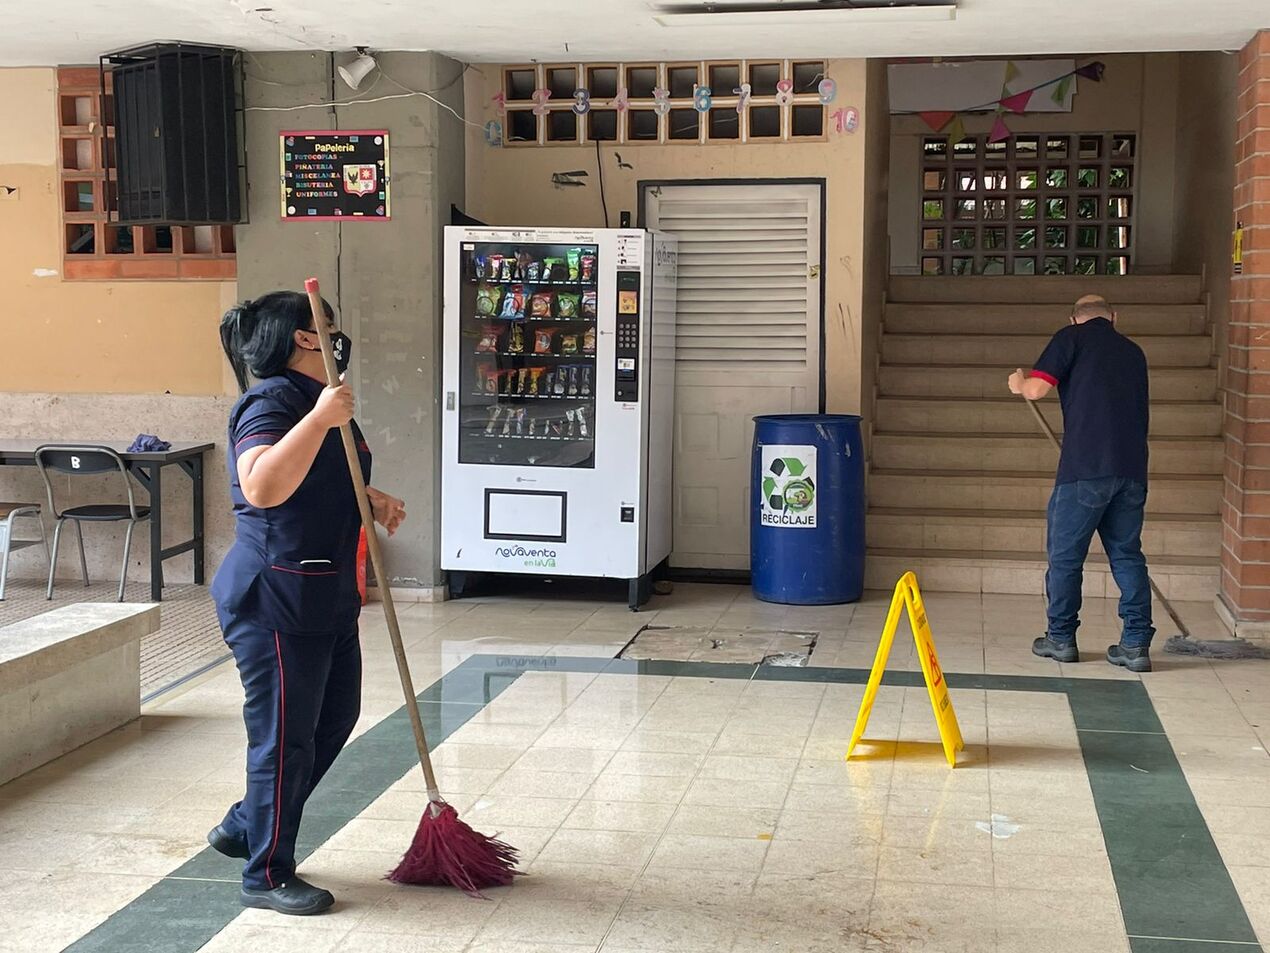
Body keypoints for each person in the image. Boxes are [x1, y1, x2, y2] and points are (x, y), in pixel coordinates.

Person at [210, 291, 407, 915]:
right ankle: (265, 873)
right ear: (303, 337)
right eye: (328, 324)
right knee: (283, 740)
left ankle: (247, 821)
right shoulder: (272, 401)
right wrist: (319, 420)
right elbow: (262, 484)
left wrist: (367, 496)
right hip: (276, 597)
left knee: (333, 718)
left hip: (325, 593)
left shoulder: (316, 401)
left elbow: (315, 474)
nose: (336, 334)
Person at [1008, 294, 1154, 673]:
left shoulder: (1070, 338)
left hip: (1085, 470)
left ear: (1074, 319)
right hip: (1132, 470)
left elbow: (1038, 389)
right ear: (1114, 317)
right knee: (1127, 555)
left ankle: (1060, 638)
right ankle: (1136, 645)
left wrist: (1019, 384)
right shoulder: (1134, 352)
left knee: (1065, 558)